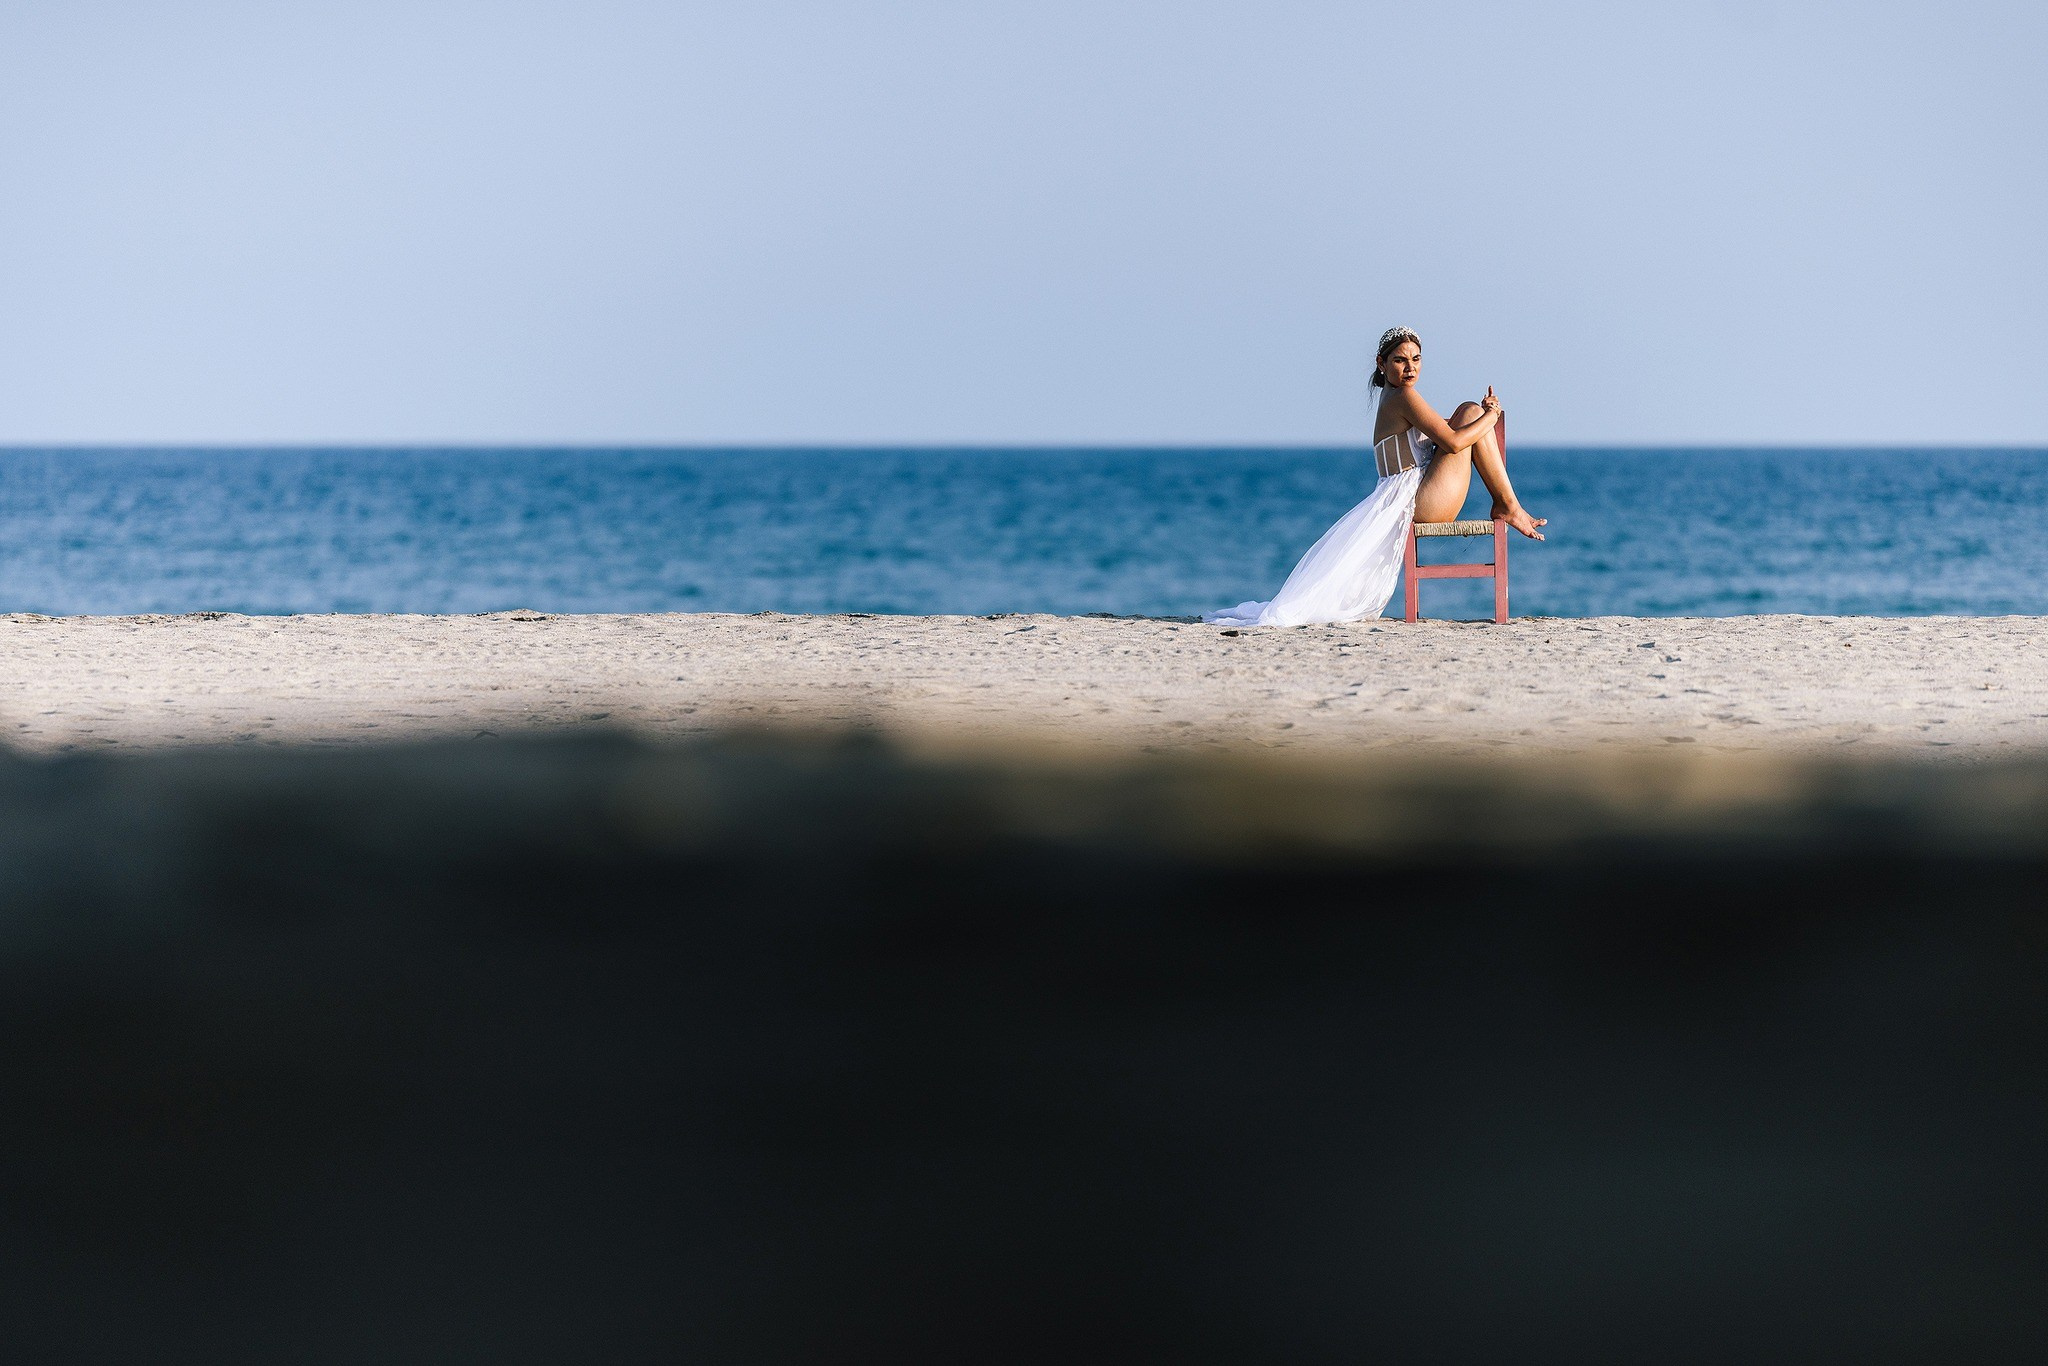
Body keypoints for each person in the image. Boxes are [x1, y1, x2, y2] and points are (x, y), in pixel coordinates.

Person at [1205, 327, 1545, 628]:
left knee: (1466, 414)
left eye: (1416, 358)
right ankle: (1506, 505)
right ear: (1382, 363)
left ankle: (1506, 504)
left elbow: (1447, 431)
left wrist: (1479, 418)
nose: (1410, 367)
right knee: (1471, 412)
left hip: (1411, 496)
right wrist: (1491, 414)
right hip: (1415, 502)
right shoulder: (1403, 397)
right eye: (1400, 360)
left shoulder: (1396, 397)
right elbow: (1455, 442)